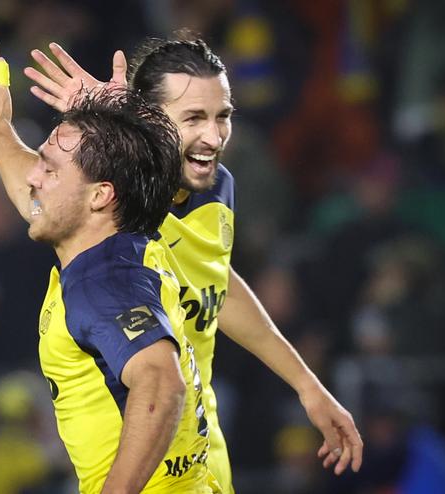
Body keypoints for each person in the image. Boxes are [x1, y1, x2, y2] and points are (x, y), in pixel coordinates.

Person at [21, 34, 364, 492]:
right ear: (150, 120)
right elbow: (45, 199)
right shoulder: (113, 206)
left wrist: (307, 386)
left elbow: (213, 286)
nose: (214, 136)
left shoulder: (217, 186)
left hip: (203, 466)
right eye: (194, 118)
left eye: (223, 116)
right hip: (138, 468)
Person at [0, 50, 218, 493]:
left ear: (101, 196)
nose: (34, 176)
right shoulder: (135, 245)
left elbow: (162, 386)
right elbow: (46, 201)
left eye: (49, 168)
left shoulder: (102, 283)